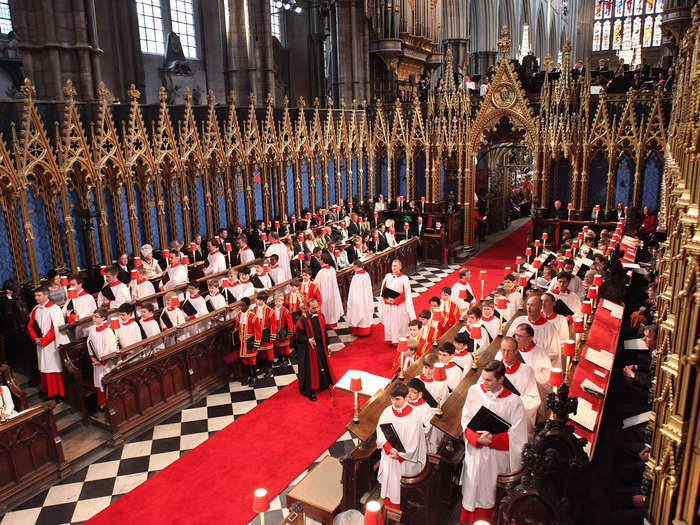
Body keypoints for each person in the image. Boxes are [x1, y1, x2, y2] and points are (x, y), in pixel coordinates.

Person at [460, 360, 527, 524]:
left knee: (488, 492)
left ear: (501, 380)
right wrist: (476, 438)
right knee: (472, 489)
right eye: (483, 378)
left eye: (489, 380)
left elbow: (517, 437)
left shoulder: (514, 401)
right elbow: (466, 420)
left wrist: (491, 440)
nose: (484, 383)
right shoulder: (475, 391)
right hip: (475, 452)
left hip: (495, 458)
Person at [376, 382, 427, 510]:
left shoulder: (414, 415)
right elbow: (380, 431)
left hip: (404, 461)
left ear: (406, 398)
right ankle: (388, 511)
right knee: (389, 489)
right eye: (392, 398)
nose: (394, 402)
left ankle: (399, 513)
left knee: (400, 491)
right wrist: (387, 448)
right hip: (389, 456)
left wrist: (399, 455)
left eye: (397, 399)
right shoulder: (388, 411)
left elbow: (413, 442)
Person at [27, 286, 69, 398]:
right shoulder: (36, 309)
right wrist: (35, 338)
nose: (36, 298)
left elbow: (55, 329)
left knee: (53, 367)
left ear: (46, 295)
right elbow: (30, 325)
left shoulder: (54, 309)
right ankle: (47, 391)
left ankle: (58, 394)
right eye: (35, 295)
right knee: (44, 366)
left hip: (52, 344)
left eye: (39, 295)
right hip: (40, 343)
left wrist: (43, 341)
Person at [495, 336, 540, 435]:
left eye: (509, 351)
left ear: (516, 351)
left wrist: (512, 404)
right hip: (497, 414)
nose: (505, 354)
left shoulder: (527, 370)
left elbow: (533, 399)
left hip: (517, 414)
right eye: (503, 350)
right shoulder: (494, 369)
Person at [294, 298, 334, 401]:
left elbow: (324, 331)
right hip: (308, 350)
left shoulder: (321, 315)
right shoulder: (302, 320)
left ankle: (322, 384)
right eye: (313, 308)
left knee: (321, 365)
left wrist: (328, 345)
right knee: (311, 370)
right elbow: (298, 337)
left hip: (321, 346)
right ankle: (310, 391)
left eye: (317, 307)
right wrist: (308, 340)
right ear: (308, 308)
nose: (316, 309)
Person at [507, 295, 561, 361]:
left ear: (540, 307)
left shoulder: (550, 328)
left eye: (532, 305)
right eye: (528, 304)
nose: (529, 308)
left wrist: (533, 356)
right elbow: (508, 341)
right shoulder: (519, 321)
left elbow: (554, 353)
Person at [378, 260, 415, 345]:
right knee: (390, 322)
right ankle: (391, 338)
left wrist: (395, 301)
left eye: (395, 266)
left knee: (399, 322)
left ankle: (399, 340)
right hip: (388, 305)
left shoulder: (404, 278)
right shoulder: (388, 276)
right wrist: (385, 300)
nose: (393, 268)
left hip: (399, 305)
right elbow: (383, 290)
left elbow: (405, 294)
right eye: (392, 266)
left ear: (400, 267)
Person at [86, 309, 117, 408]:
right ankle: (102, 404)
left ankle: (111, 404)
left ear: (103, 318)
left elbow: (110, 348)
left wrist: (101, 361)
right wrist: (93, 358)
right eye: (93, 316)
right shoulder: (92, 330)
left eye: (96, 316)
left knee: (106, 383)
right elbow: (89, 343)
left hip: (105, 363)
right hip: (96, 361)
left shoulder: (108, 332)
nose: (93, 318)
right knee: (99, 383)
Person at [231, 297, 257, 387]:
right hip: (242, 342)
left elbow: (258, 331)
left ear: (248, 306)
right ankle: (247, 376)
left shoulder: (253, 316)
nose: (240, 307)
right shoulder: (238, 315)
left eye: (242, 305)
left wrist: (256, 343)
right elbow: (237, 326)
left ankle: (253, 377)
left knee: (252, 359)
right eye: (240, 305)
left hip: (251, 341)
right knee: (245, 360)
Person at [251, 291, 277, 378]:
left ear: (265, 300)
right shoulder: (254, 309)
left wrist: (273, 335)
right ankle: (263, 368)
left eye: (260, 300)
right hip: (257, 334)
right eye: (257, 299)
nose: (258, 301)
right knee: (261, 352)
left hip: (266, 334)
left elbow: (273, 324)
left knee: (269, 352)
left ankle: (269, 369)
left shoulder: (270, 311)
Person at [314, 254, 344, 328]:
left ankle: (327, 322)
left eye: (320, 259)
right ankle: (333, 321)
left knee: (326, 307)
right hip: (332, 292)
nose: (319, 261)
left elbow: (315, 284)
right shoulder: (332, 269)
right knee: (332, 306)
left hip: (325, 293)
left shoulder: (321, 272)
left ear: (323, 261)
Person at [346, 260, 374, 336]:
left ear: (356, 266)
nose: (353, 267)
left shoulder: (356, 277)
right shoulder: (366, 274)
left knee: (358, 312)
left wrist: (352, 300)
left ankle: (359, 330)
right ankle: (366, 329)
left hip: (358, 299)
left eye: (353, 266)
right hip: (366, 298)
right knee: (366, 312)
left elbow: (353, 291)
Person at [273, 292, 294, 366]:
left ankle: (286, 359)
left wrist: (289, 332)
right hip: (276, 331)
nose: (278, 303)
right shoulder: (272, 310)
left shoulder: (285, 311)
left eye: (279, 301)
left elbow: (290, 323)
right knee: (279, 346)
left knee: (285, 346)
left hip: (284, 331)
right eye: (276, 301)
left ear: (282, 302)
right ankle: (280, 359)